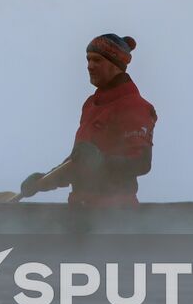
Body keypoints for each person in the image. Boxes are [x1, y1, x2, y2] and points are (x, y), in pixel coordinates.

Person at [20, 34, 157, 207]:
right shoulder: (90, 105)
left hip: (115, 215)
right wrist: (43, 181)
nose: (90, 66)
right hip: (80, 212)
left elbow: (141, 163)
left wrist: (100, 161)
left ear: (115, 65)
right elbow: (79, 161)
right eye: (88, 60)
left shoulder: (134, 106)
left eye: (97, 60)